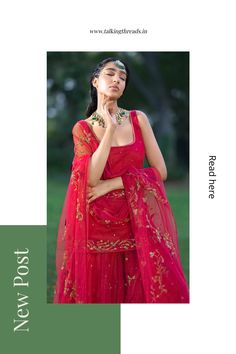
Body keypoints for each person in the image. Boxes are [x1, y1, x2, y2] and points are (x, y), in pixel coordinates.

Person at [53, 57, 189, 304]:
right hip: (97, 228)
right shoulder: (82, 128)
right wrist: (110, 130)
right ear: (95, 81)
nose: (117, 79)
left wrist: (112, 184)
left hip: (138, 220)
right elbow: (91, 178)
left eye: (123, 77)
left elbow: (160, 172)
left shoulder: (138, 119)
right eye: (110, 74)